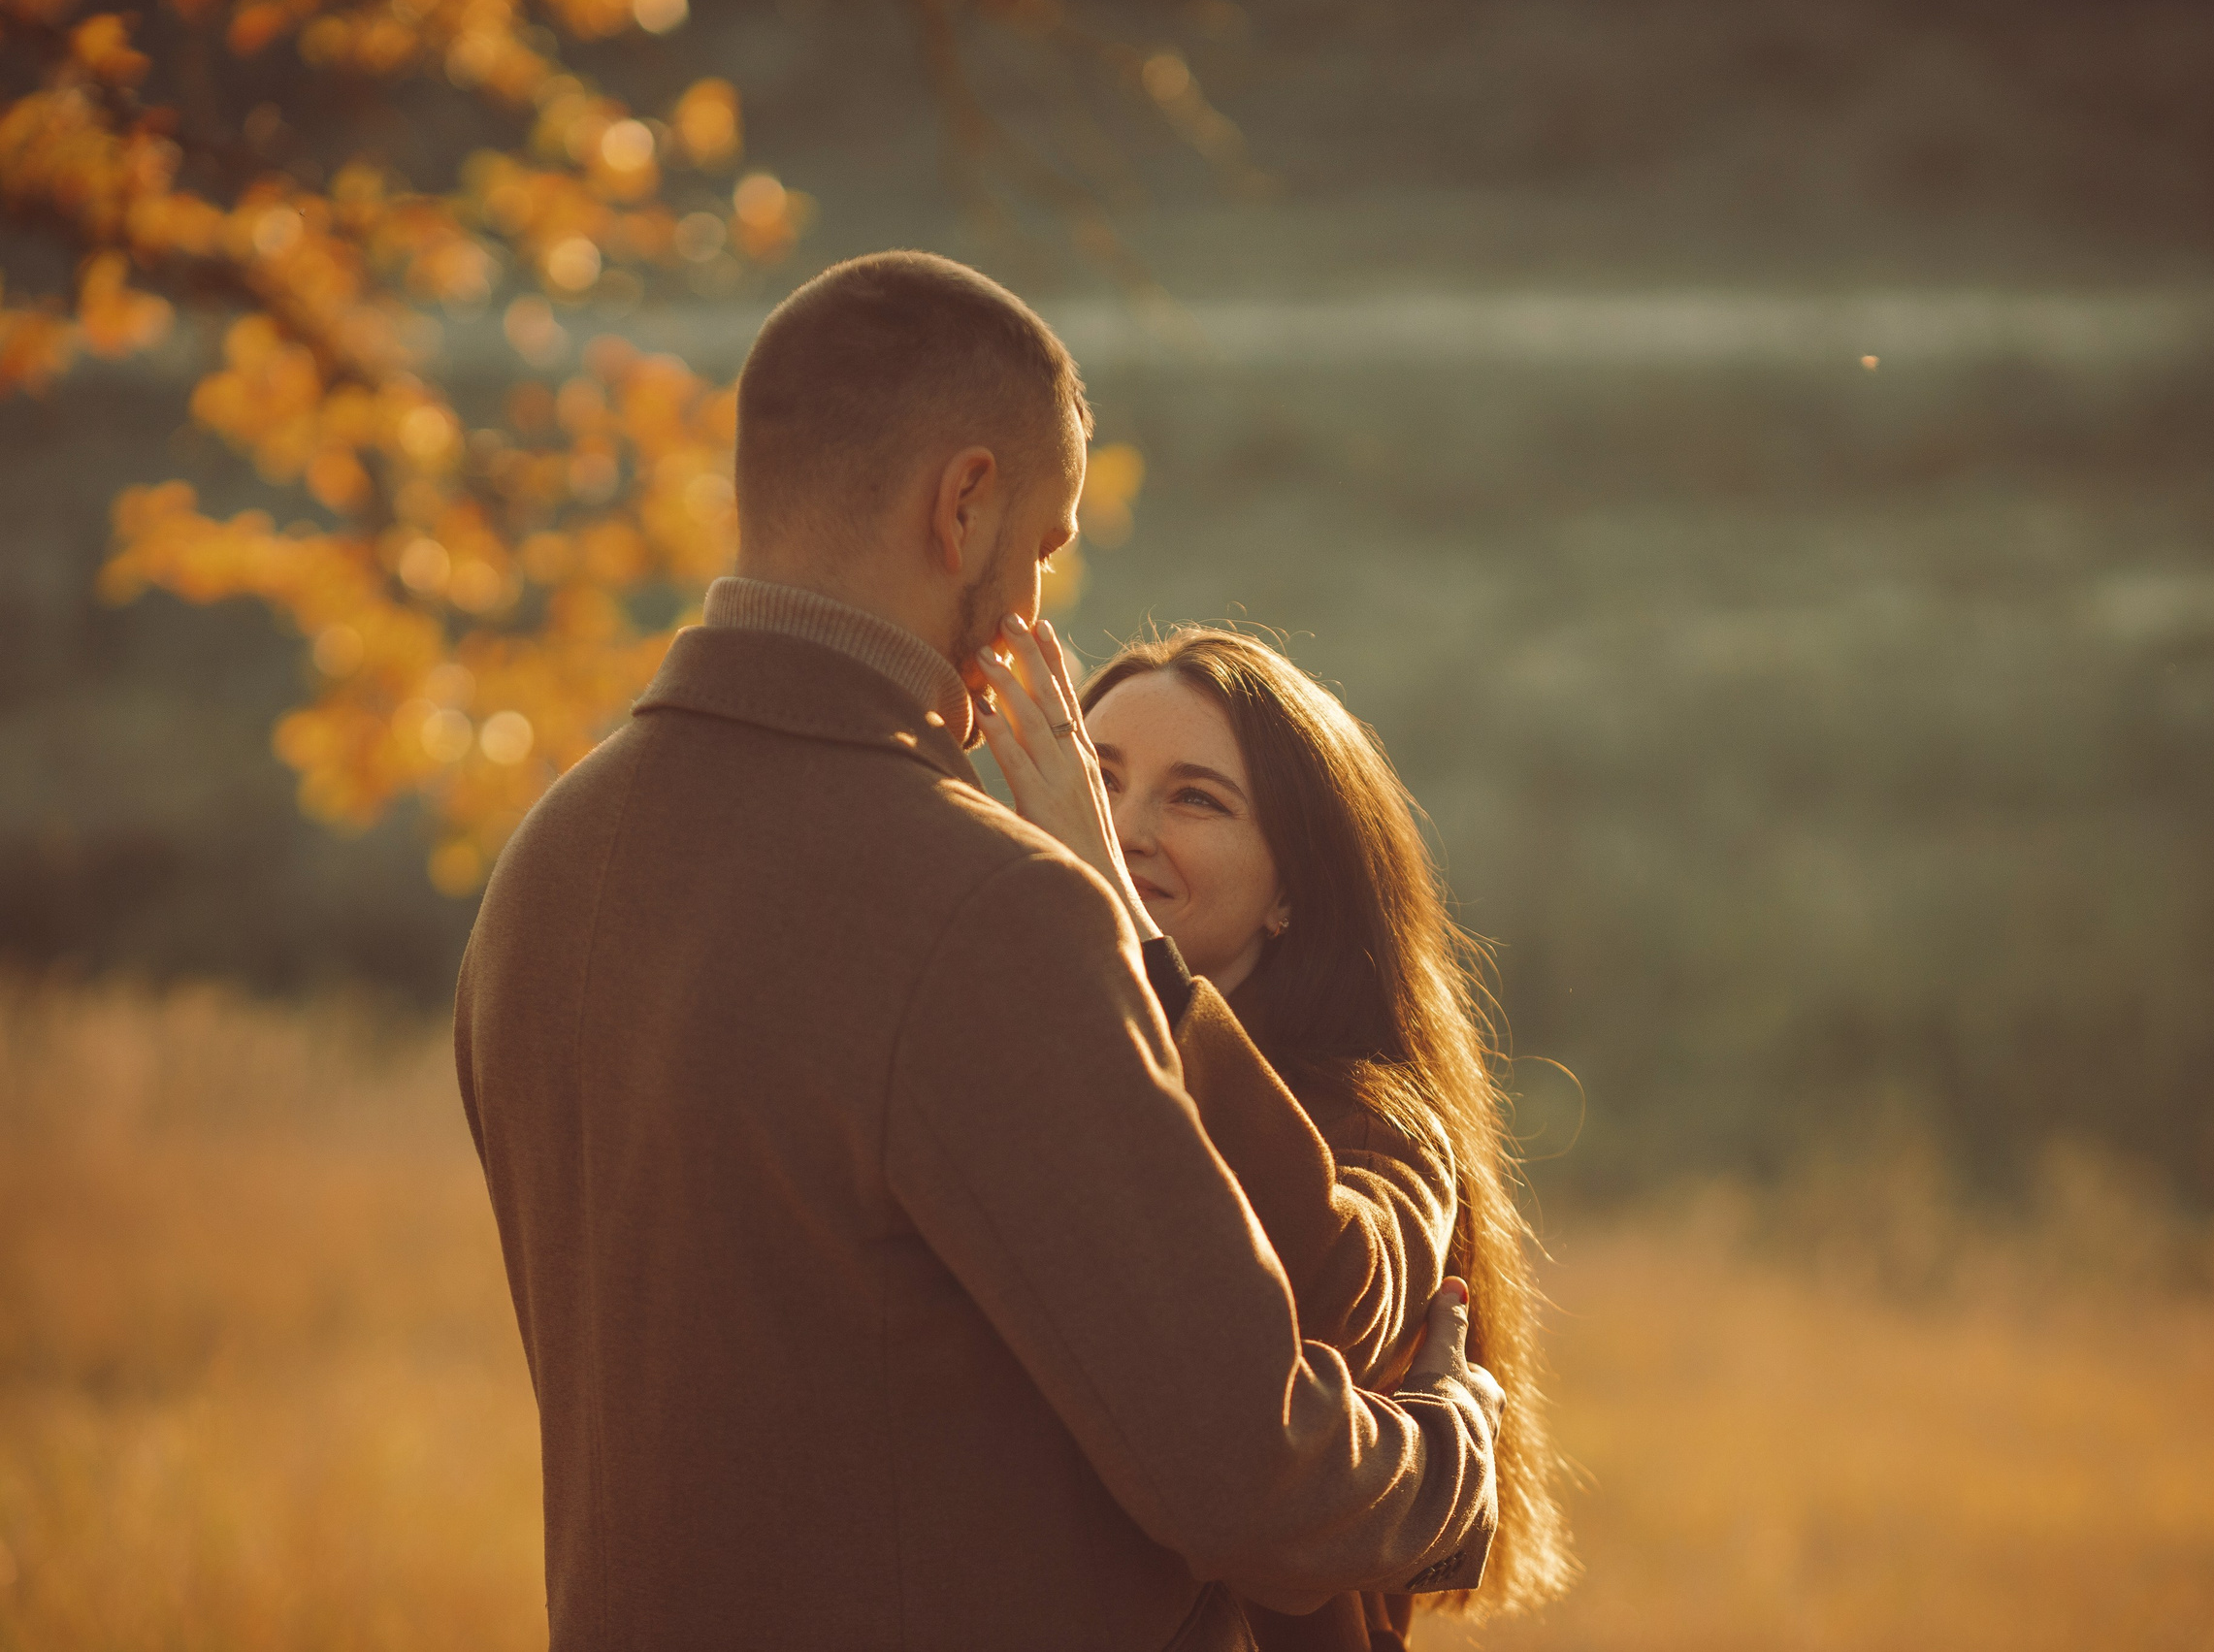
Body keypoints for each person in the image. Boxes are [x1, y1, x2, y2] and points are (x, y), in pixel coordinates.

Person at [454, 250, 1505, 1652]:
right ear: (964, 503)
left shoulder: (546, 863)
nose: (1037, 595)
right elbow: (1248, 1471)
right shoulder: (987, 912)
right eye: (1050, 540)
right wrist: (1454, 1449)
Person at [978, 629, 1576, 1650]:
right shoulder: (1014, 1073)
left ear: (1294, 889)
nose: (1117, 827)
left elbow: (1335, 1291)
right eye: (1093, 778)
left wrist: (1128, 943)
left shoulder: (1373, 1114)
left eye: (1194, 797)